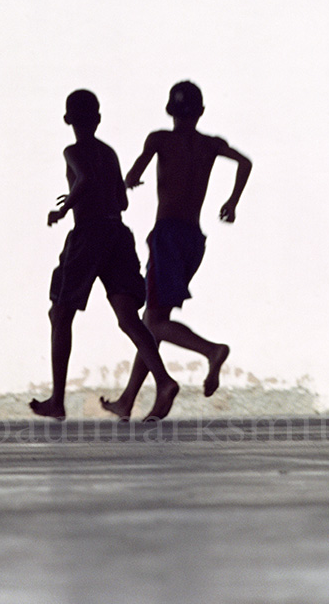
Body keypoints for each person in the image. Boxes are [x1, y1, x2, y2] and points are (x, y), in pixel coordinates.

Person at [101, 81, 251, 420]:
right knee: (153, 320)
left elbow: (133, 174)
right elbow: (245, 162)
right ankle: (128, 400)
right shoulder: (211, 145)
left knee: (152, 321)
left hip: (167, 234)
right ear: (200, 112)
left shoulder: (159, 140)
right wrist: (232, 202)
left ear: (170, 111)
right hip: (193, 239)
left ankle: (211, 351)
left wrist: (129, 181)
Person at [30, 90, 180, 421]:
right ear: (97, 119)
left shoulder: (72, 150)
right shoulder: (109, 153)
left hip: (88, 235)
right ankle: (164, 380)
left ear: (68, 120)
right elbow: (122, 202)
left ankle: (57, 400)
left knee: (61, 313)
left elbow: (83, 178)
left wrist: (65, 207)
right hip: (118, 234)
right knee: (128, 317)